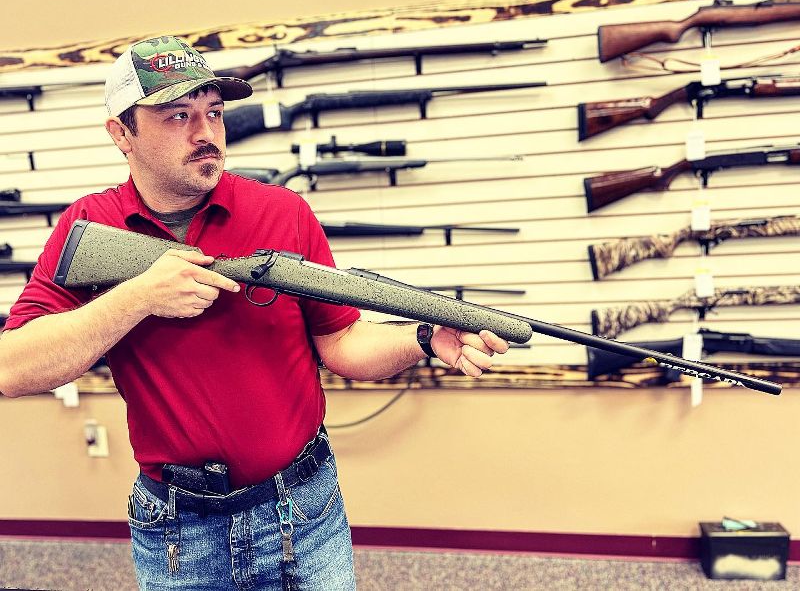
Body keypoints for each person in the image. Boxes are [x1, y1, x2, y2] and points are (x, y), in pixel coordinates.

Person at [0, 36, 509, 590]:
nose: (206, 135)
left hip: (303, 510)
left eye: (214, 113)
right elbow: (12, 368)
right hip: (178, 527)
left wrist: (426, 337)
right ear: (121, 134)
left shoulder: (281, 210)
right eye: (177, 116)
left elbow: (341, 343)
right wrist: (137, 298)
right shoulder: (91, 226)